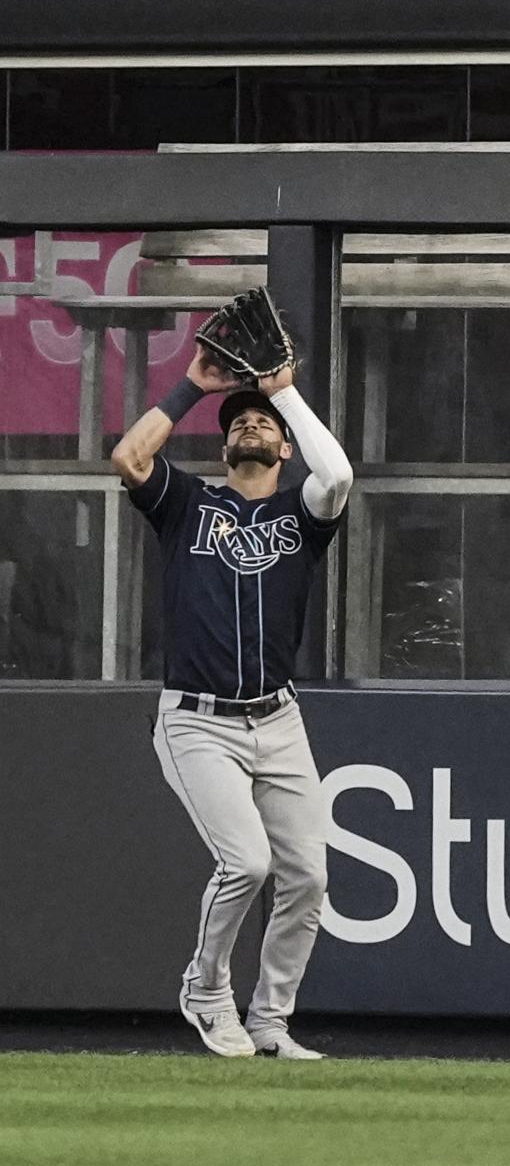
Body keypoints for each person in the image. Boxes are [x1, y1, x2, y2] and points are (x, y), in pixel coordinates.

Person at [110, 342, 352, 1060]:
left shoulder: (301, 515)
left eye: (261, 422)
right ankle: (206, 988)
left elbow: (335, 472)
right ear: (223, 446)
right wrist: (190, 386)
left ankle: (271, 1022)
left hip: (276, 718)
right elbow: (129, 458)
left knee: (308, 875)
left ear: (283, 443)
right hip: (196, 721)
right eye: (238, 420)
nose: (249, 425)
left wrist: (282, 394)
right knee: (245, 863)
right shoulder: (188, 504)